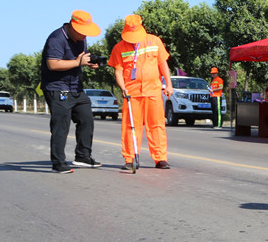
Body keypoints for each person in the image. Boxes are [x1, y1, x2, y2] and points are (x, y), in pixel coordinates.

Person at [40, 10, 104, 173]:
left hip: (76, 87)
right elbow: (53, 64)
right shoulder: (56, 38)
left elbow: (80, 59)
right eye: (83, 32)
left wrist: (88, 63)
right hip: (57, 87)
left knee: (86, 118)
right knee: (61, 125)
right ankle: (58, 163)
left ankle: (82, 156)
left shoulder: (81, 39)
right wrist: (77, 62)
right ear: (73, 26)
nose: (85, 35)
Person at [109, 14, 174, 170]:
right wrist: (123, 88)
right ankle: (130, 158)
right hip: (132, 93)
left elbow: (163, 64)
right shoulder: (119, 47)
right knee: (130, 126)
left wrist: (169, 85)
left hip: (153, 90)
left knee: (157, 125)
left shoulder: (154, 41)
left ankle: (160, 158)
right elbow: (118, 71)